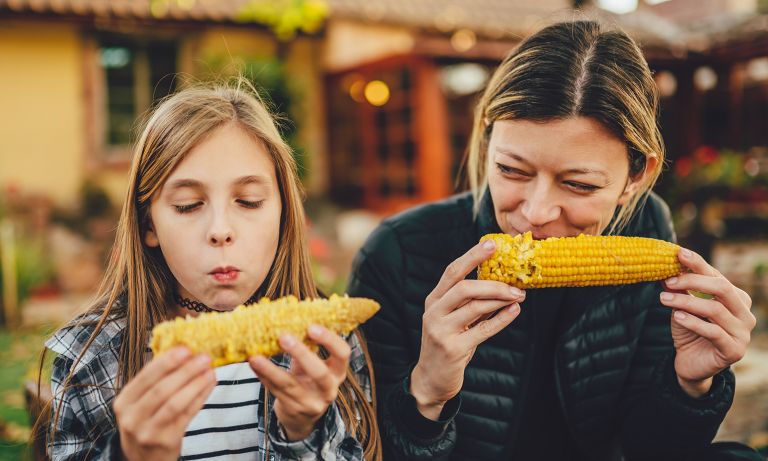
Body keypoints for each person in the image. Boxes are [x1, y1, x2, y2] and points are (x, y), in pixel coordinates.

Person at [347, 20, 760, 461]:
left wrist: (690, 384)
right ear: (488, 143)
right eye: (512, 170)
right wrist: (425, 392)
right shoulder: (395, 254)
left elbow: (650, 448)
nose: (536, 213)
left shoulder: (648, 224)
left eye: (579, 184)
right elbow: (363, 450)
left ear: (635, 177)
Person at [42, 81, 381, 461]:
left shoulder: (329, 345)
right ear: (148, 224)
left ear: (284, 213)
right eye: (188, 205)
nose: (221, 230)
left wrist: (303, 433)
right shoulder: (91, 358)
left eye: (249, 202)